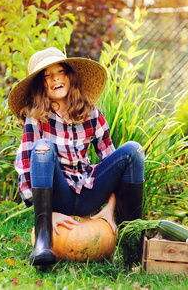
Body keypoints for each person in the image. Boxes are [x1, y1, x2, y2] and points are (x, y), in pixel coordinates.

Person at [8, 47, 145, 266]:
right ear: (41, 85)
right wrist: (48, 212)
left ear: (69, 76)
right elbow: (25, 165)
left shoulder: (90, 112)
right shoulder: (35, 118)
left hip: (89, 190)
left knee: (133, 151)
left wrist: (109, 208)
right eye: (47, 75)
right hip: (58, 195)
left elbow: (109, 159)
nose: (55, 79)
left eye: (60, 71)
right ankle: (43, 242)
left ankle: (132, 246)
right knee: (42, 147)